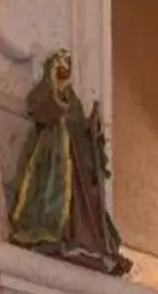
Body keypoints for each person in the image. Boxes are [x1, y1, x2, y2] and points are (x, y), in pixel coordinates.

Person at [7, 50, 130, 276]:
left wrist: (93, 131)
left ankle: (82, 238)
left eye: (67, 68)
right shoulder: (47, 90)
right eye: (61, 67)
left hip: (75, 163)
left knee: (81, 202)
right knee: (52, 196)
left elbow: (82, 132)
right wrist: (57, 106)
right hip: (55, 157)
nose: (64, 72)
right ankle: (56, 233)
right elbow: (40, 108)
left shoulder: (74, 100)